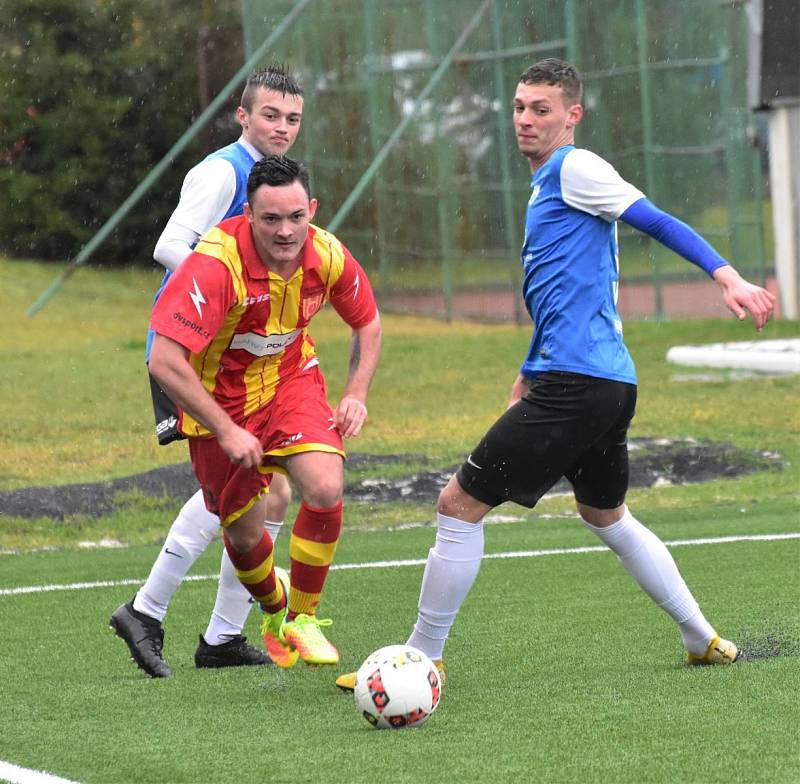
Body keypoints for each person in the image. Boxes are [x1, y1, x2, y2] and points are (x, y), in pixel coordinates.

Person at [335, 58, 776, 691]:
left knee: (457, 506)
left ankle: (421, 656)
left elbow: (655, 219)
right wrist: (528, 373)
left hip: (580, 385)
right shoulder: (549, 184)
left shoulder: (578, 167)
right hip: (597, 382)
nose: (525, 119)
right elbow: (562, 292)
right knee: (607, 516)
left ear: (573, 115)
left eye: (541, 109)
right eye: (518, 107)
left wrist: (725, 275)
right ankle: (701, 637)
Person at [147, 154, 381, 670]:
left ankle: (303, 617)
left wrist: (356, 392)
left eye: (297, 216)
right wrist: (225, 429)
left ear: (312, 209)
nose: (286, 231)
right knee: (245, 535)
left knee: (323, 486)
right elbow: (163, 359)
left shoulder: (327, 253)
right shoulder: (215, 265)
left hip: (290, 382)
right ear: (248, 213)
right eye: (271, 219)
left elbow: (367, 321)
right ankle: (275, 613)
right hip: (218, 404)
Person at [110, 66, 303, 677]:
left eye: (292, 118)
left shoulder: (273, 183)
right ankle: (148, 609)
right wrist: (231, 292)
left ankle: (221, 636)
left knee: (267, 486)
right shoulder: (223, 171)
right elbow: (172, 245)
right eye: (270, 115)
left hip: (239, 359)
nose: (282, 127)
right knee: (237, 488)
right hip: (192, 354)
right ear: (242, 115)